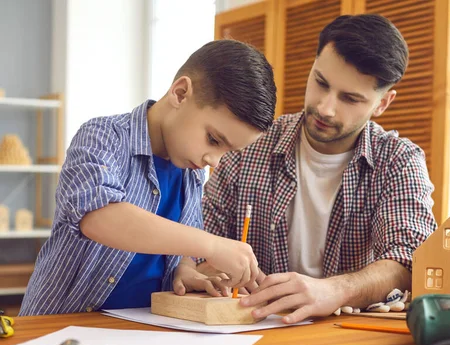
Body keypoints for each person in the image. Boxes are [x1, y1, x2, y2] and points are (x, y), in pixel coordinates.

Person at [201, 14, 438, 324]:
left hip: (351, 337)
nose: (325, 107)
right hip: (251, 326)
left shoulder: (399, 161)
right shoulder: (248, 143)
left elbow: (409, 261)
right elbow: (201, 242)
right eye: (321, 82)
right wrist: (211, 270)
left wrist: (336, 290)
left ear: (383, 103)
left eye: (350, 98)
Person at [19, 40, 277, 315]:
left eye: (228, 151)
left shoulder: (190, 173)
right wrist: (212, 245)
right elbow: (100, 217)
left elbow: (177, 253)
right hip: (57, 328)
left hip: (140, 333)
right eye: (213, 139)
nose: (213, 160)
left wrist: (186, 270)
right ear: (179, 93)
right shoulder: (102, 136)